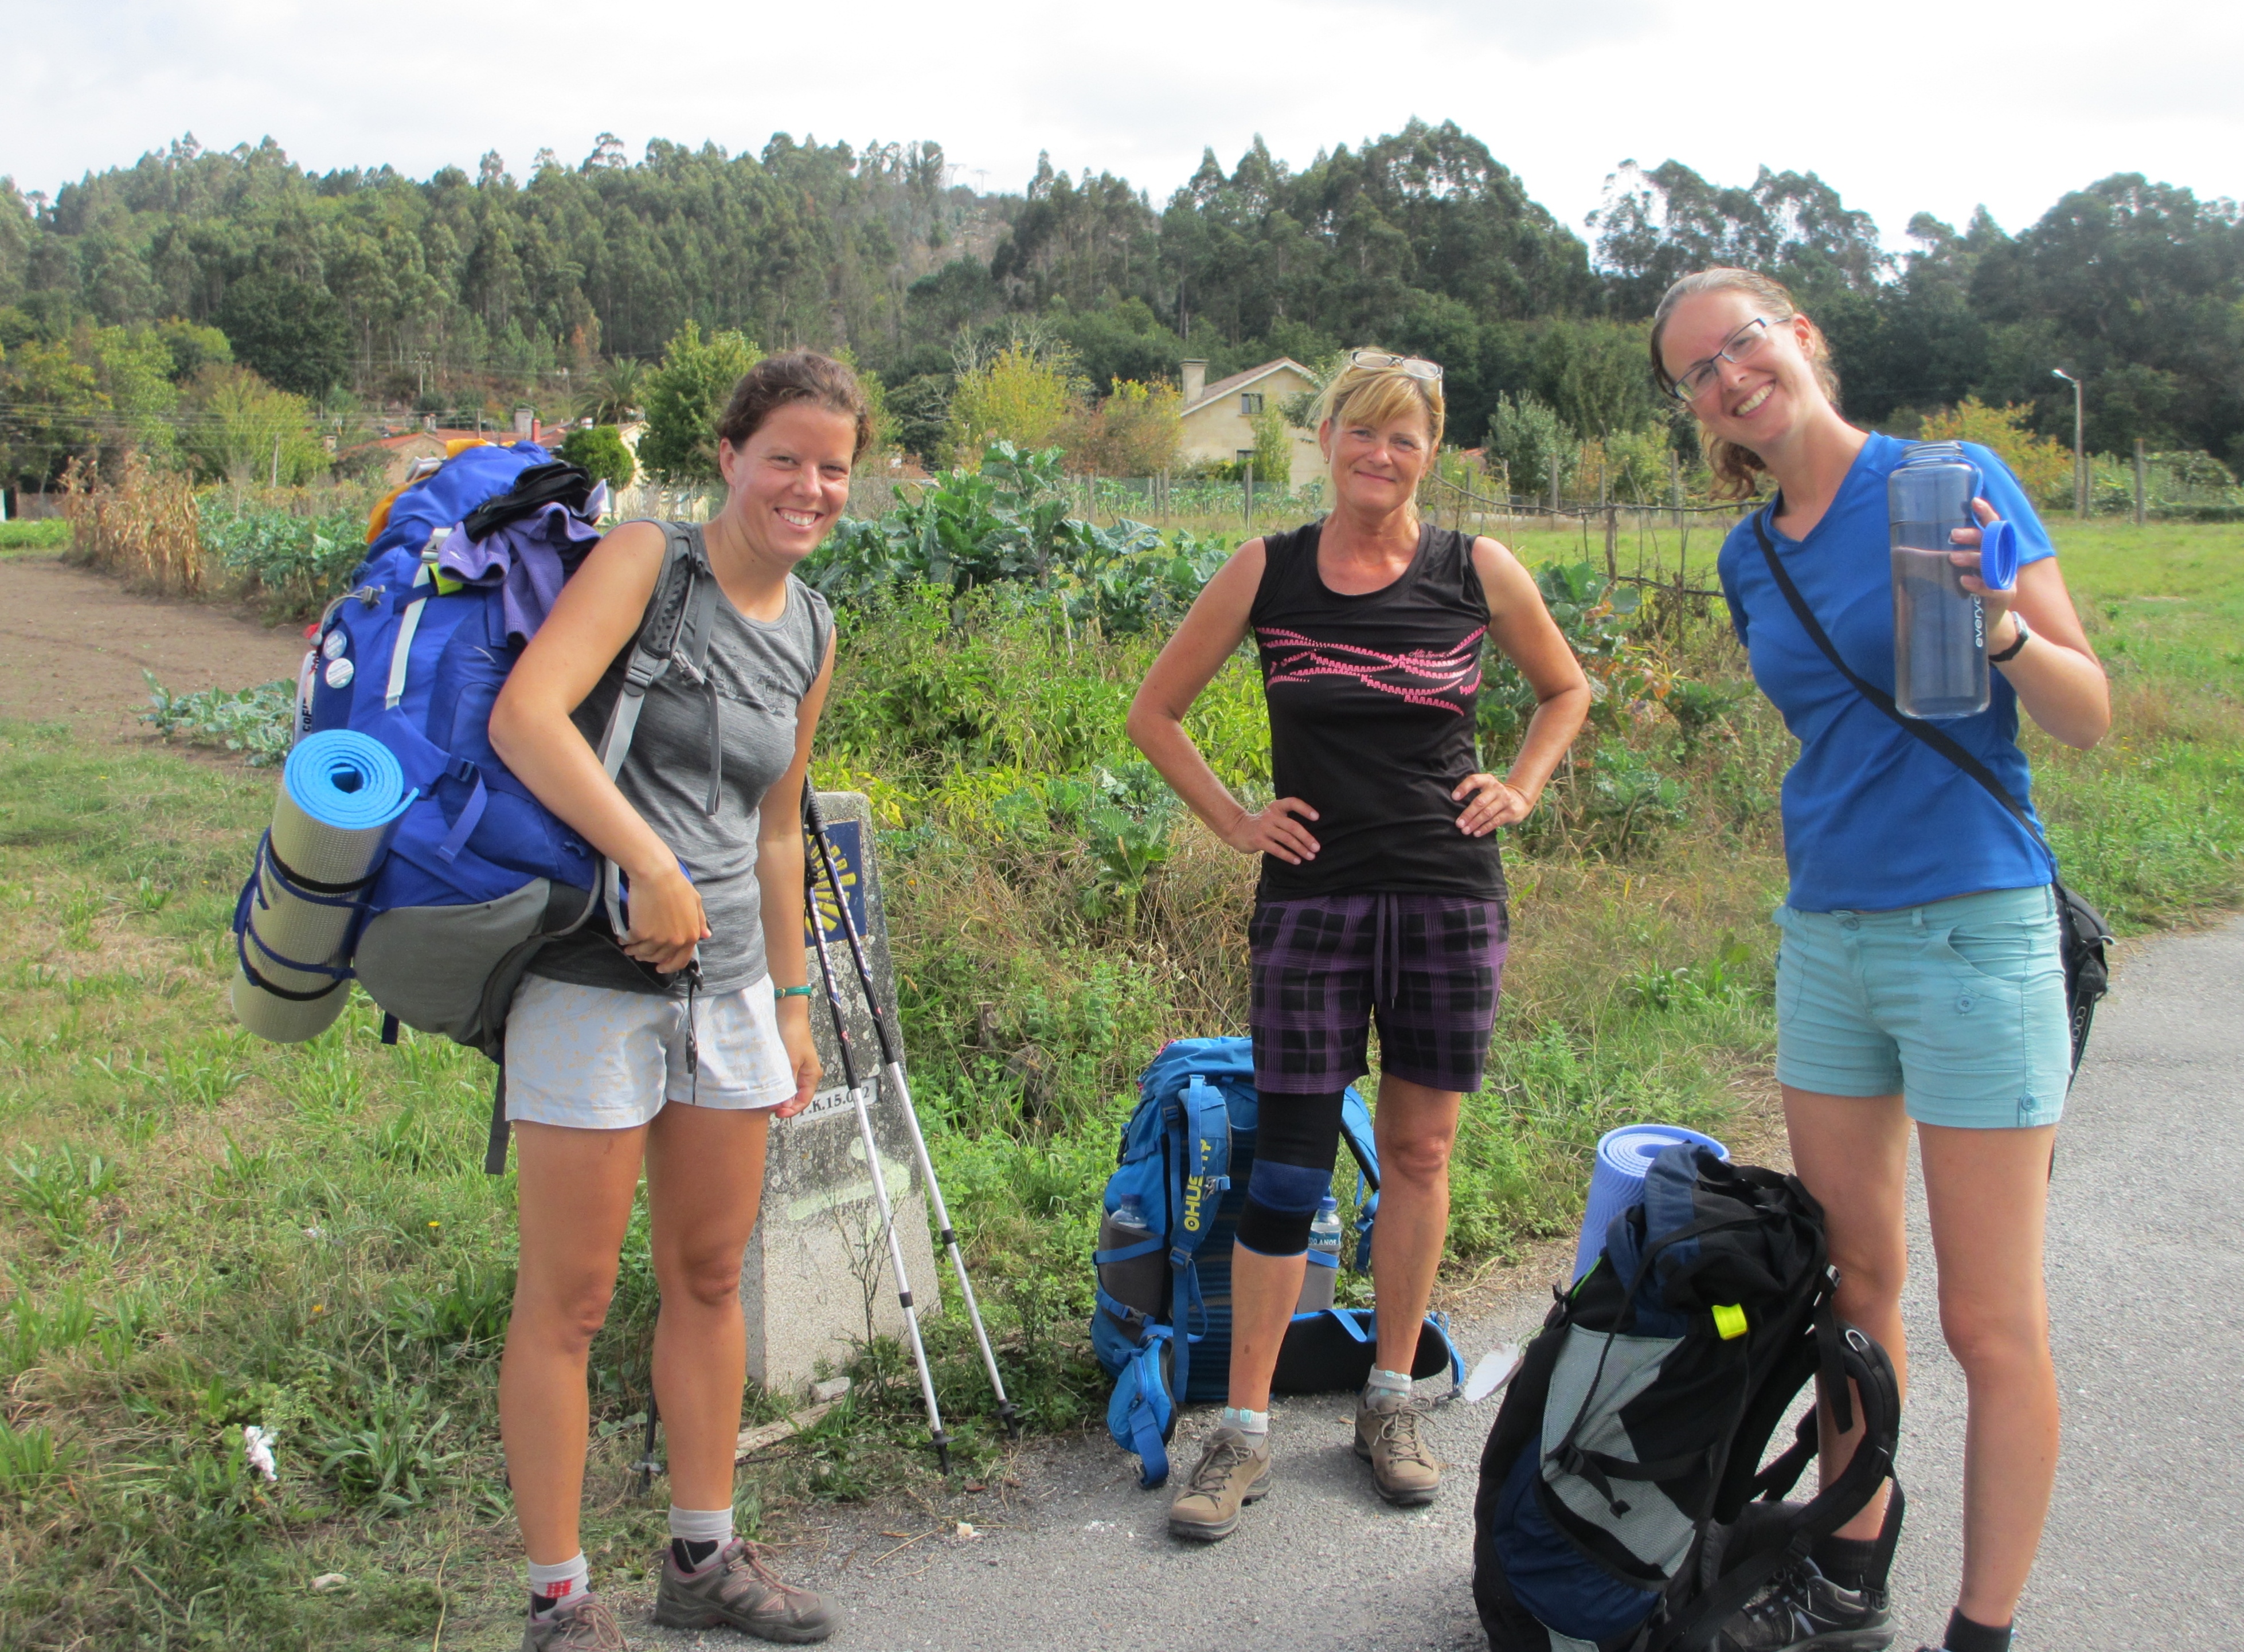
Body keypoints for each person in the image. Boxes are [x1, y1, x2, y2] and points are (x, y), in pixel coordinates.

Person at [1653, 271, 2110, 1652]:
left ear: (1797, 336)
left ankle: (1982, 1629)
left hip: (1973, 924)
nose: (1727, 378)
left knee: (1988, 1319)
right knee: (1851, 1289)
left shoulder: (1949, 482)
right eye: (1695, 373)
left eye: (1740, 343)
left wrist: (1999, 624)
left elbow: (2085, 712)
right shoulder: (1748, 556)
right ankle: (1846, 1582)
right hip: (1827, 936)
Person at [1127, 350, 1590, 1541]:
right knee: (1285, 1169)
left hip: (1446, 896)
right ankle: (1242, 1428)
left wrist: (1522, 785)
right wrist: (1235, 819)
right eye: (1361, 431)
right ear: (1325, 437)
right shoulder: (1268, 569)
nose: (1380, 455)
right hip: (1312, 905)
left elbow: (1565, 690)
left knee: (1420, 1150)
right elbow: (1154, 711)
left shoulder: (1474, 569)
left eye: (1404, 438)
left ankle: (1389, 1399)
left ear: (1430, 453)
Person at [485, 351, 870, 1650]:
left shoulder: (812, 628)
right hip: (591, 977)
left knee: (709, 1275)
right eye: (785, 457)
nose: (807, 486)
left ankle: (701, 1558)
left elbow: (777, 828)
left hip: (730, 993)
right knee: (571, 1300)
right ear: (730, 456)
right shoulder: (652, 561)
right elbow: (527, 718)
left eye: (832, 466)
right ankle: (557, 1601)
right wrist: (648, 863)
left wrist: (794, 1001)